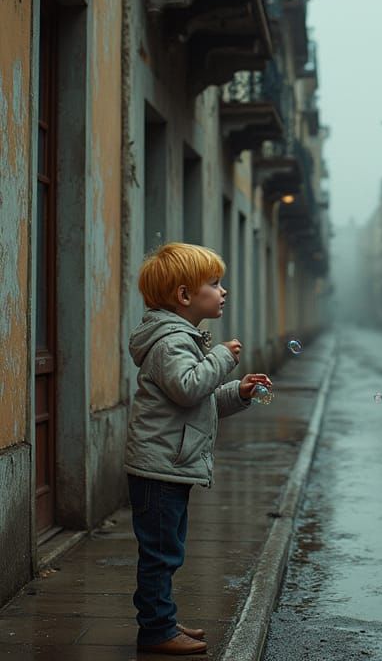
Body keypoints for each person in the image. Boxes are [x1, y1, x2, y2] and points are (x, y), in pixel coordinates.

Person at [124, 242, 272, 656]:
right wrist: (222, 358)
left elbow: (199, 402)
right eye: (214, 283)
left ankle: (163, 618)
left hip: (171, 463)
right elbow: (189, 389)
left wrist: (238, 392)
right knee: (161, 554)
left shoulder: (182, 339)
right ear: (185, 295)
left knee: (168, 550)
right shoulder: (172, 342)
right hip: (159, 467)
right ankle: (156, 630)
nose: (223, 291)